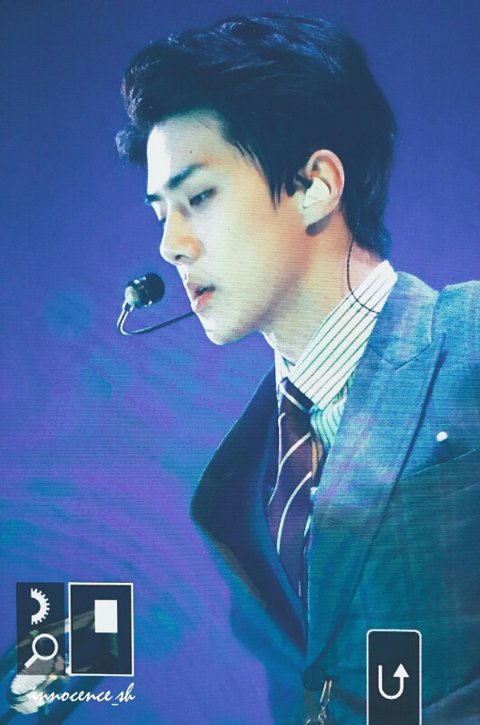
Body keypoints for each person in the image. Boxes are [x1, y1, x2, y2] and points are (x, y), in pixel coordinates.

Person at [116, 12, 480, 724]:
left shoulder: (470, 340)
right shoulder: (238, 481)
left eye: (198, 198)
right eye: (161, 212)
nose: (170, 244)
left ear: (315, 185)